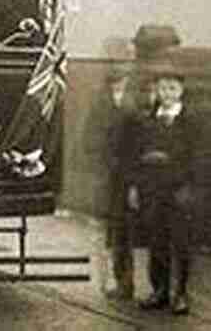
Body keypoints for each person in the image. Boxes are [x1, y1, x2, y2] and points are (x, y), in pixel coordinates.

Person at [128, 71, 196, 316]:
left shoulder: (190, 120)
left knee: (181, 243)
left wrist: (184, 180)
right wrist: (135, 186)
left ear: (181, 91)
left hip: (179, 190)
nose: (167, 94)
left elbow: (196, 156)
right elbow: (136, 156)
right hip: (152, 189)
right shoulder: (148, 120)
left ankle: (181, 293)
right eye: (163, 89)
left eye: (172, 89)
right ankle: (160, 290)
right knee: (156, 241)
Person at [94, 70, 138, 300]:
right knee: (117, 230)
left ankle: (133, 283)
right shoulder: (102, 103)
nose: (119, 86)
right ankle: (122, 281)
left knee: (127, 230)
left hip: (131, 175)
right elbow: (90, 136)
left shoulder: (136, 104)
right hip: (112, 176)